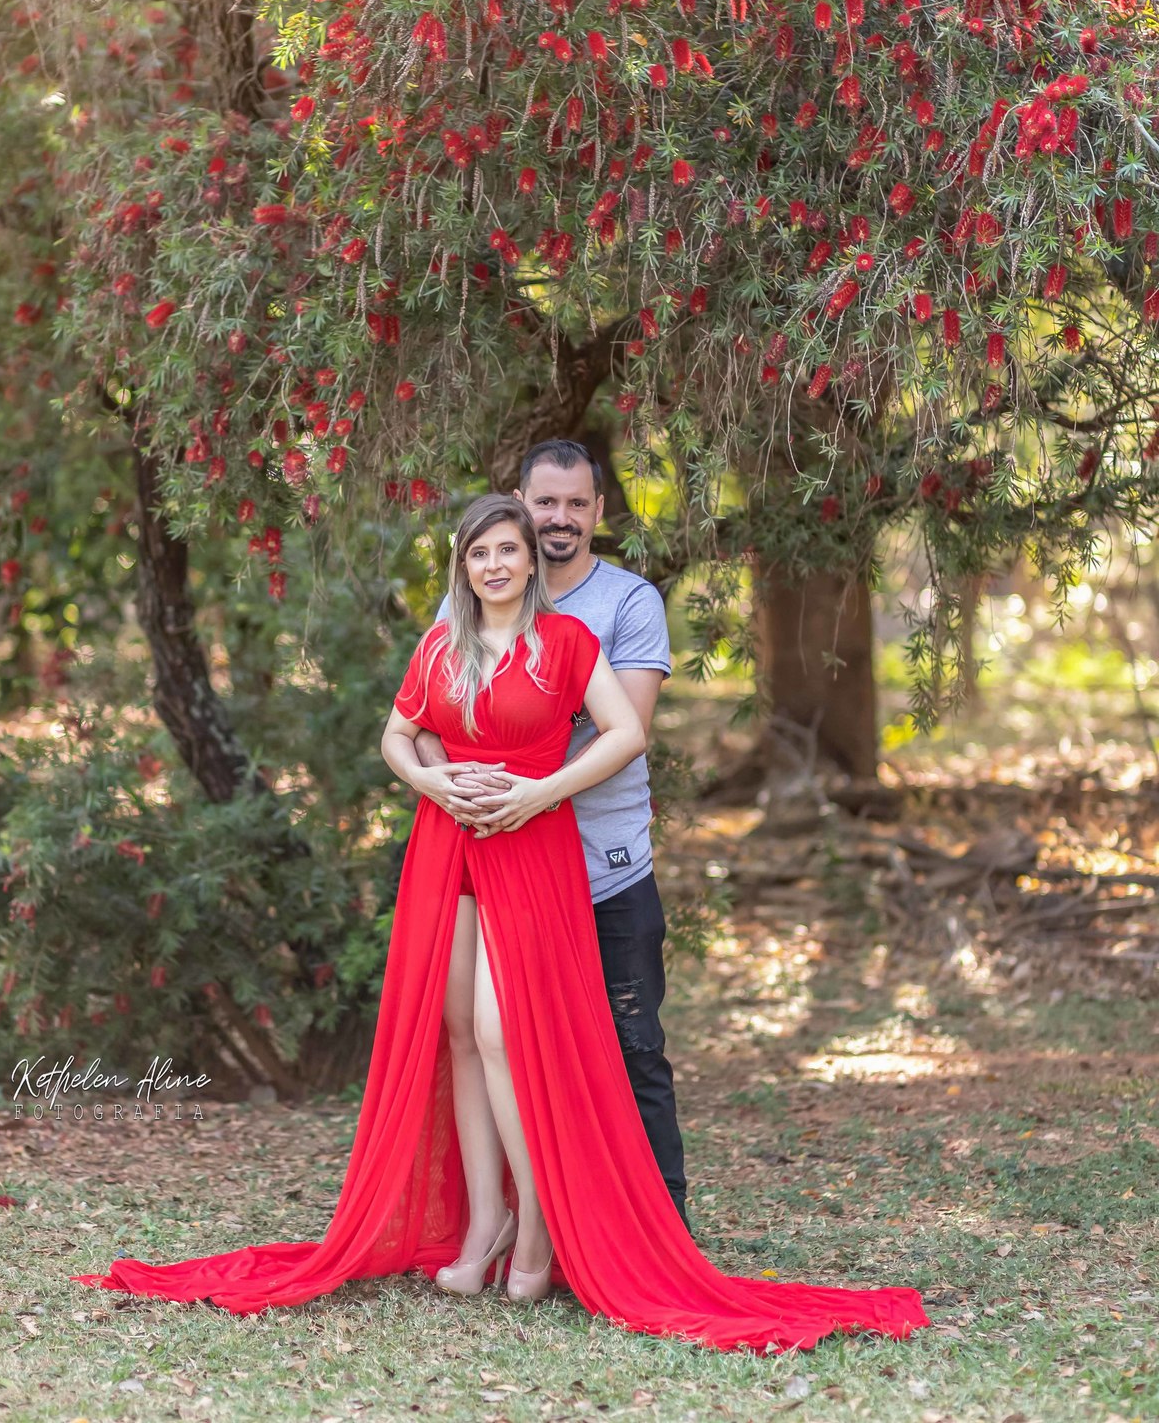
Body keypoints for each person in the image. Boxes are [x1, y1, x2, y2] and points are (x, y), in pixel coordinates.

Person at [71, 493, 931, 1356]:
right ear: (464, 563)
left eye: (507, 551)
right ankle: (483, 1227)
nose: (494, 566)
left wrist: (539, 793)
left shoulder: (566, 641)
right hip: (446, 848)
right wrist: (430, 782)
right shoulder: (442, 643)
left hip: (531, 846)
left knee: (500, 1034)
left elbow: (625, 733)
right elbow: (397, 734)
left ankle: (539, 1227)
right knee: (455, 1033)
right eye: (479, 553)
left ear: (530, 560)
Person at [423, 439, 689, 1223]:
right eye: (546, 503)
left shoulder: (626, 604)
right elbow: (428, 715)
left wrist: (535, 791)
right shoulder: (471, 600)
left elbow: (627, 730)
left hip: (604, 864)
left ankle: (660, 1229)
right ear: (521, 504)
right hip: (498, 865)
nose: (561, 518)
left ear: (599, 511)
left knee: (630, 1044)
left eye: (577, 504)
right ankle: (535, 1226)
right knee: (504, 1044)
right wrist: (450, 782)